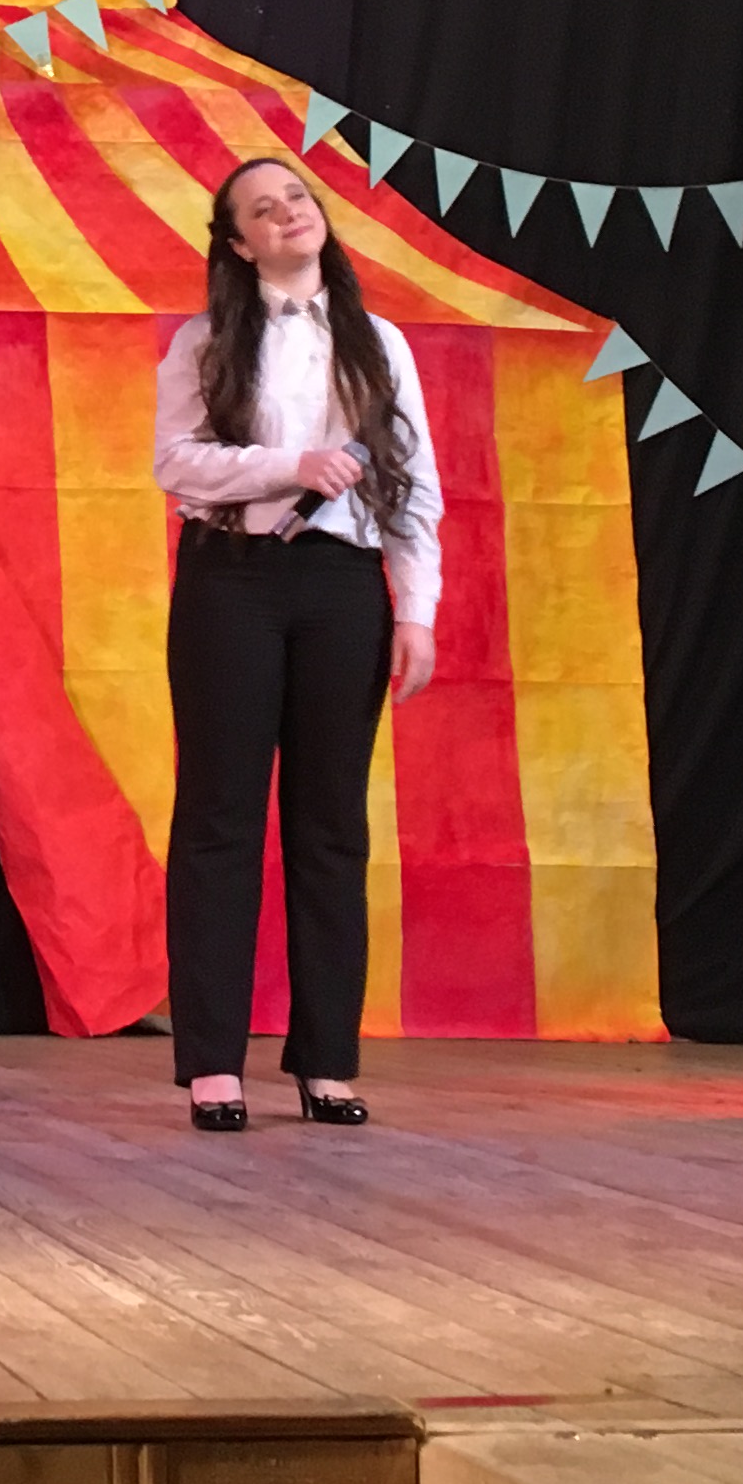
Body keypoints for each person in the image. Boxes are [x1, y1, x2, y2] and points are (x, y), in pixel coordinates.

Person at [150, 157, 439, 1134]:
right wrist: (291, 465)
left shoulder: (379, 344)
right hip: (231, 578)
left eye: (298, 201)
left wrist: (416, 608)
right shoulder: (205, 341)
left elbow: (414, 485)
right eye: (263, 211)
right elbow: (175, 462)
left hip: (342, 584)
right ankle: (212, 1063)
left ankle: (326, 1060)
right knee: (220, 817)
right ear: (238, 243)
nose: (287, 216)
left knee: (330, 825)